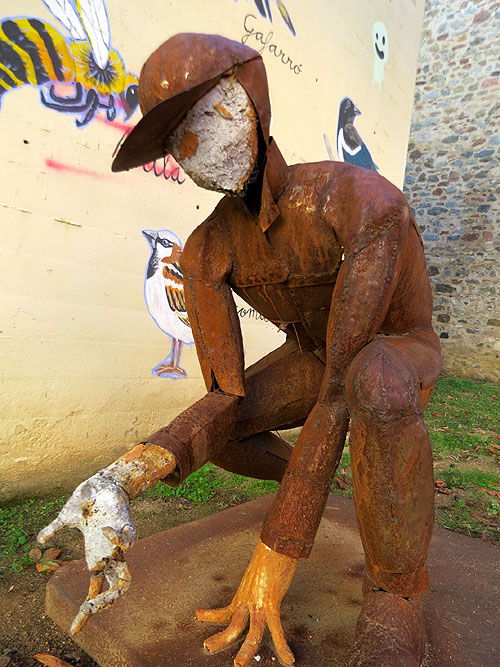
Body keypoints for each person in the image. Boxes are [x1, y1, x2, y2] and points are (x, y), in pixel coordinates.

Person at [39, 33, 442, 667]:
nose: (192, 147)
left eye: (207, 116)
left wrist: (278, 546)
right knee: (223, 430)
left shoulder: (362, 203)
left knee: (374, 382)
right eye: (176, 138)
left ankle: (396, 594)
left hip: (392, 350)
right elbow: (224, 395)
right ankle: (323, 483)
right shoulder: (207, 250)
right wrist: (123, 477)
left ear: (252, 101)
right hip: (317, 358)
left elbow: (341, 386)